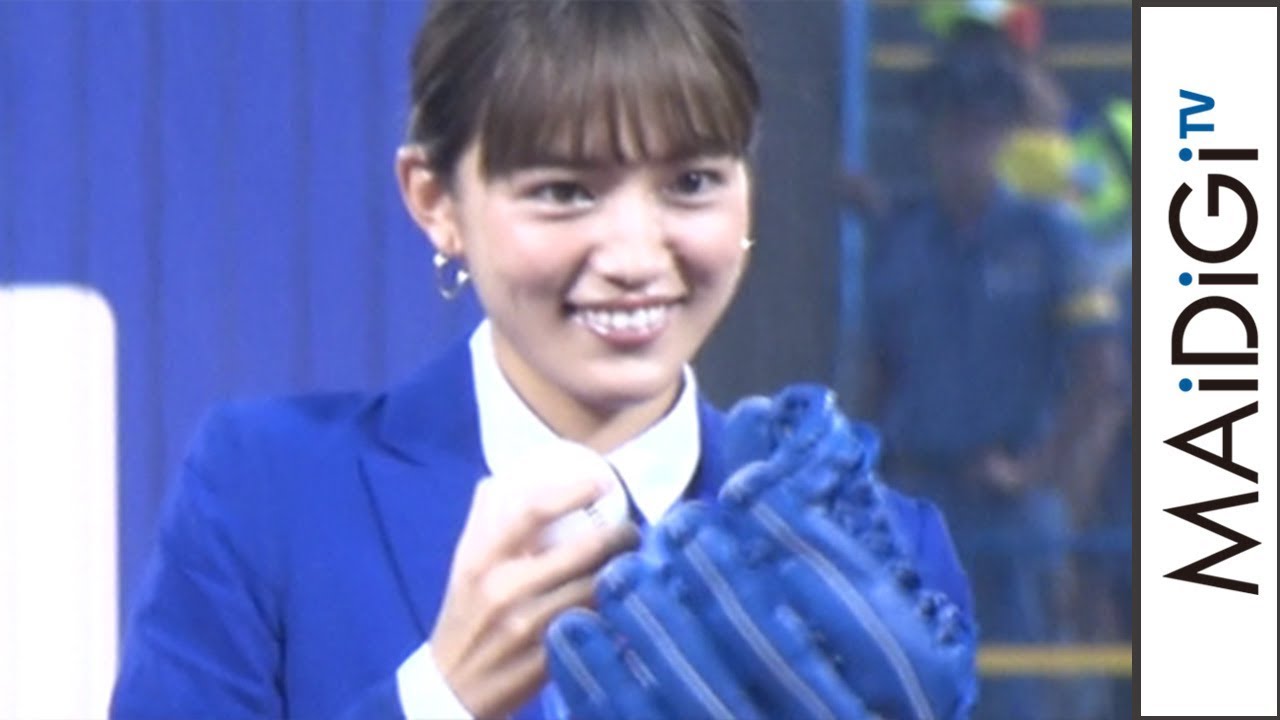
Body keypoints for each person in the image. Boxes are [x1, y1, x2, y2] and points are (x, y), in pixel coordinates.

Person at [110, 2, 972, 719]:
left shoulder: (876, 559)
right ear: (436, 201)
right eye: (564, 191)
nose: (635, 254)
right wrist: (440, 698)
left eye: (692, 182)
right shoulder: (268, 492)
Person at [857, 29, 1126, 720]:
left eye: (979, 129)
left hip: (1003, 505)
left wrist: (1039, 472)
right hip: (914, 498)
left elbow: (1101, 376)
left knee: (1011, 693)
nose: (963, 146)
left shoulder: (1048, 238)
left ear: (1004, 135)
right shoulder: (905, 239)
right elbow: (878, 370)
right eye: (951, 129)